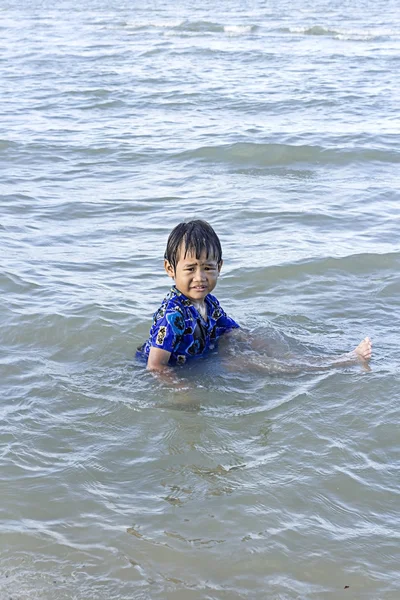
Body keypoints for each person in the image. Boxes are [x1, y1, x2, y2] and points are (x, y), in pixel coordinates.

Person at [137, 220, 372, 375]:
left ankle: (300, 361)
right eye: (190, 269)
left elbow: (234, 331)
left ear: (220, 266)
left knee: (263, 352)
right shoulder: (173, 317)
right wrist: (181, 389)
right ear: (170, 269)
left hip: (203, 355)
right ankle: (341, 361)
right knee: (255, 365)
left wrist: (270, 347)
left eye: (208, 268)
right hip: (185, 368)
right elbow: (155, 366)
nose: (200, 278)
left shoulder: (209, 304)